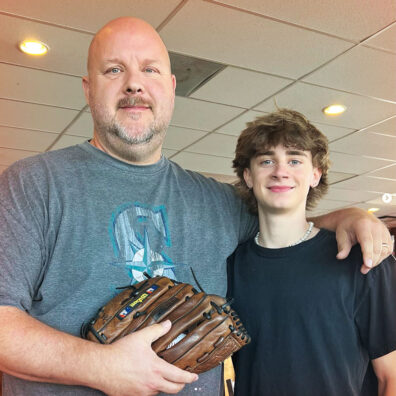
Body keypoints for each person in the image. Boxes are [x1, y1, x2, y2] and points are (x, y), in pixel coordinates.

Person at [0, 16, 392, 396]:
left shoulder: (217, 200)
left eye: (149, 70)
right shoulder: (33, 184)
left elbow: (285, 228)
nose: (134, 83)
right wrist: (100, 367)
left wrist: (349, 216)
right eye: (114, 70)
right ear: (88, 88)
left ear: (171, 88)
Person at [228, 109, 396, 396]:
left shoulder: (361, 260)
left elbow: (390, 377)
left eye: (294, 160)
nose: (281, 171)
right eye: (266, 161)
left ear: (315, 175)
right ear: (248, 176)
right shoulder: (230, 267)